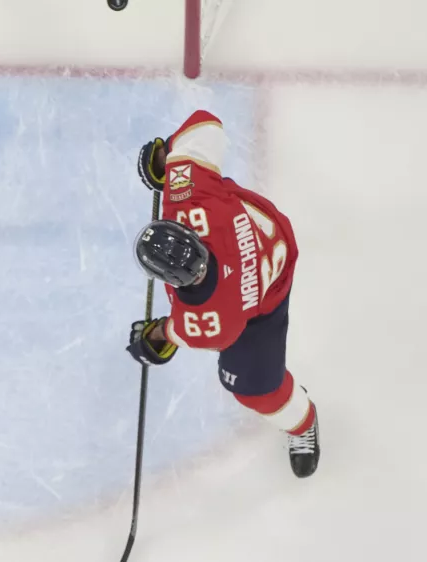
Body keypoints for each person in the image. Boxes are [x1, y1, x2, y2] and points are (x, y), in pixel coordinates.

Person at [125, 110, 320, 478]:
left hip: (266, 301)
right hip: (273, 233)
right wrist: (168, 159)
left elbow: (174, 332)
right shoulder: (190, 196)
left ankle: (303, 421)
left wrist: (154, 340)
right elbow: (206, 122)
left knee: (256, 390)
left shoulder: (210, 324)